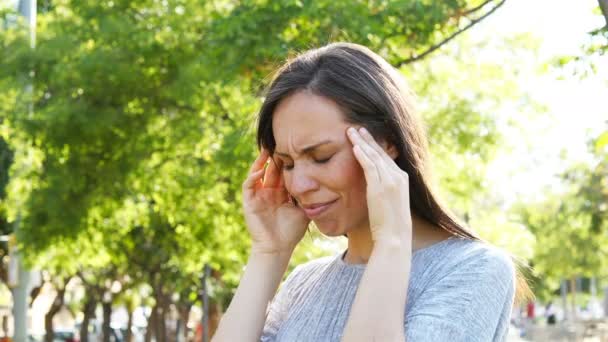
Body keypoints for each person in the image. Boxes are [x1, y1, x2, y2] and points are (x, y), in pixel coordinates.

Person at [212, 42, 532, 342]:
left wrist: (391, 242)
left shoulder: (473, 269)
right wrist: (269, 253)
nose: (298, 185)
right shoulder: (302, 283)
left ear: (387, 142)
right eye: (287, 163)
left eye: (321, 157)